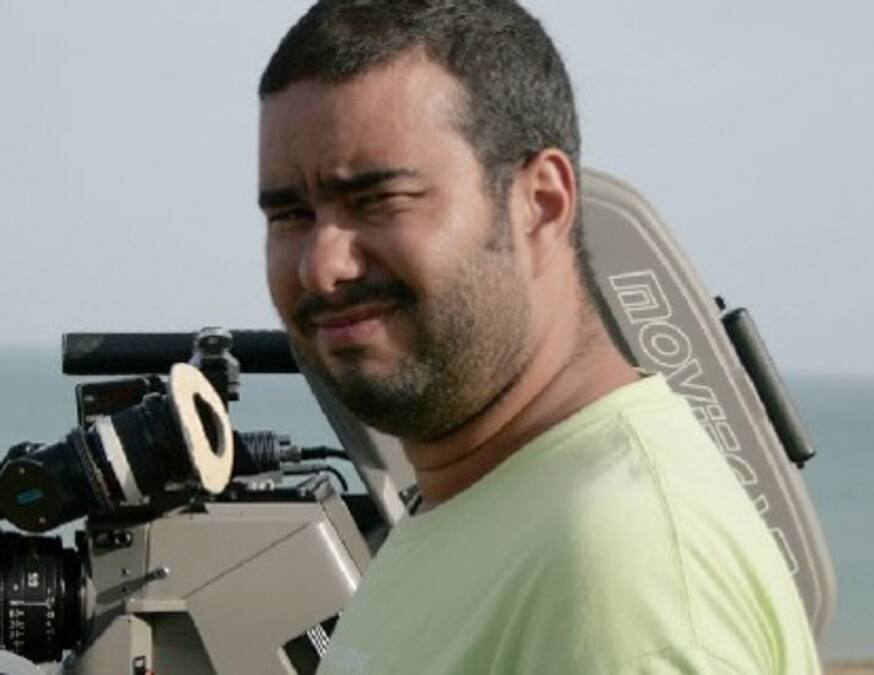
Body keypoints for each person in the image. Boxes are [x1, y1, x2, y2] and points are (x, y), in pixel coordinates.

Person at [257, 1, 820, 673]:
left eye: (379, 200)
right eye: (290, 214)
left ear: (541, 204)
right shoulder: (483, 500)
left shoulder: (620, 564)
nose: (320, 266)